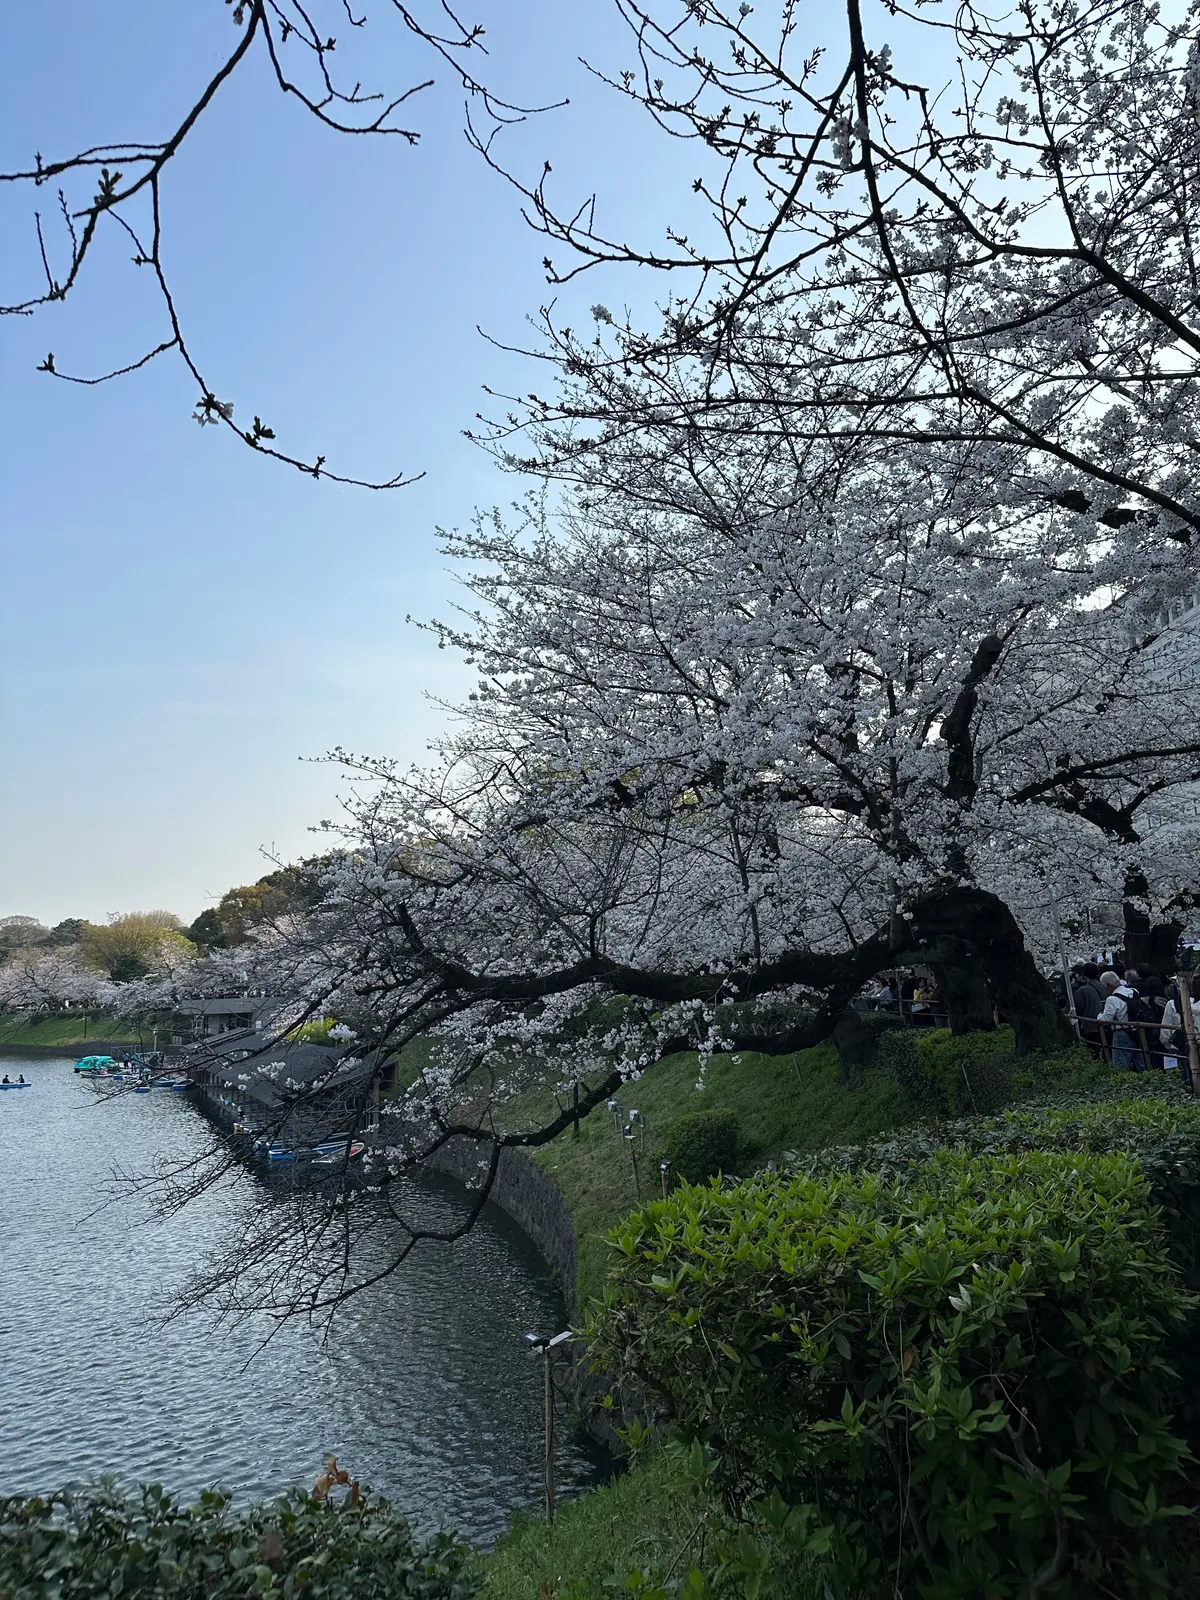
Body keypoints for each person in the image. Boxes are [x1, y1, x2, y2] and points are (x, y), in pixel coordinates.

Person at [1098, 970, 1143, 1070]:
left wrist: (1099, 1016)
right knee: (1141, 1062)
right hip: (1137, 1030)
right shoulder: (1134, 992)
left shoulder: (1112, 999)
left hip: (1121, 1032)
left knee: (1119, 1066)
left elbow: (1105, 1020)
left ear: (1109, 985)